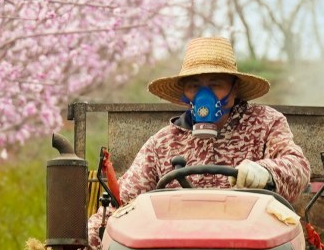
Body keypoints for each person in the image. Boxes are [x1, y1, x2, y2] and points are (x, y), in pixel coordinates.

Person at [107, 37, 311, 216]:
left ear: (235, 88)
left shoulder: (265, 123)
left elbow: (298, 168)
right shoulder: (162, 143)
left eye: (215, 84)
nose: (204, 96)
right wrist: (87, 249)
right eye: (195, 86)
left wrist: (265, 172)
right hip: (178, 245)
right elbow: (122, 204)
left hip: (250, 246)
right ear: (185, 93)